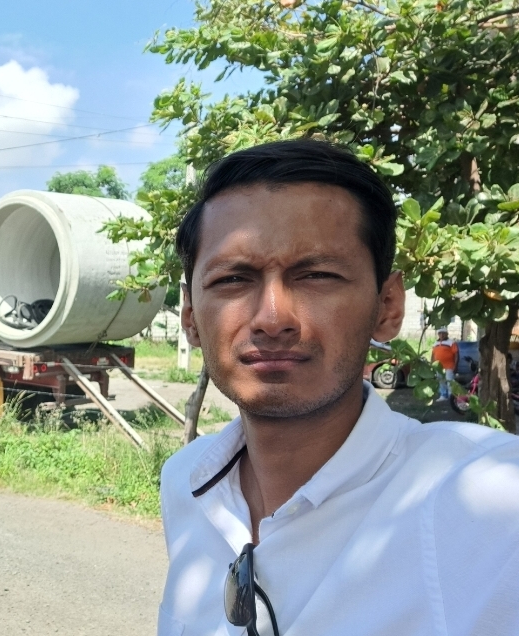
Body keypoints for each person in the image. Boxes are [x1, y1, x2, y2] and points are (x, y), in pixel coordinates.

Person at [158, 139, 519, 636]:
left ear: (387, 306)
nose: (272, 319)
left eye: (318, 275)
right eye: (233, 279)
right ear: (190, 317)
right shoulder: (185, 482)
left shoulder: (485, 503)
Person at [431, 327, 459, 401]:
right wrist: (432, 364)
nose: (442, 335)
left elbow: (456, 354)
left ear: (447, 334)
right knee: (441, 380)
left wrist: (456, 365)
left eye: (443, 333)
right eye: (440, 333)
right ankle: (443, 395)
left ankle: (451, 396)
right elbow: (433, 354)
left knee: (450, 380)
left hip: (449, 365)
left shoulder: (451, 342)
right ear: (438, 334)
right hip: (438, 366)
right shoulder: (435, 343)